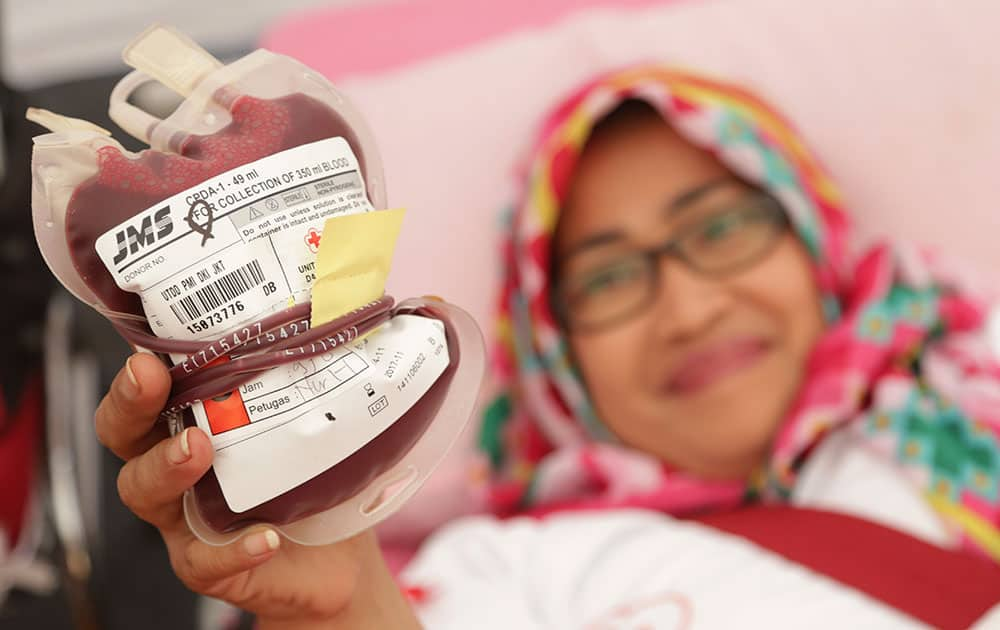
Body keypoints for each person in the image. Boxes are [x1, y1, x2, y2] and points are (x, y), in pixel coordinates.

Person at [93, 66, 1000, 628]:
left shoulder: (979, 410)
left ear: (816, 240)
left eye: (721, 227)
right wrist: (344, 608)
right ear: (551, 353)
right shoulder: (506, 572)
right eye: (607, 280)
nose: (685, 308)